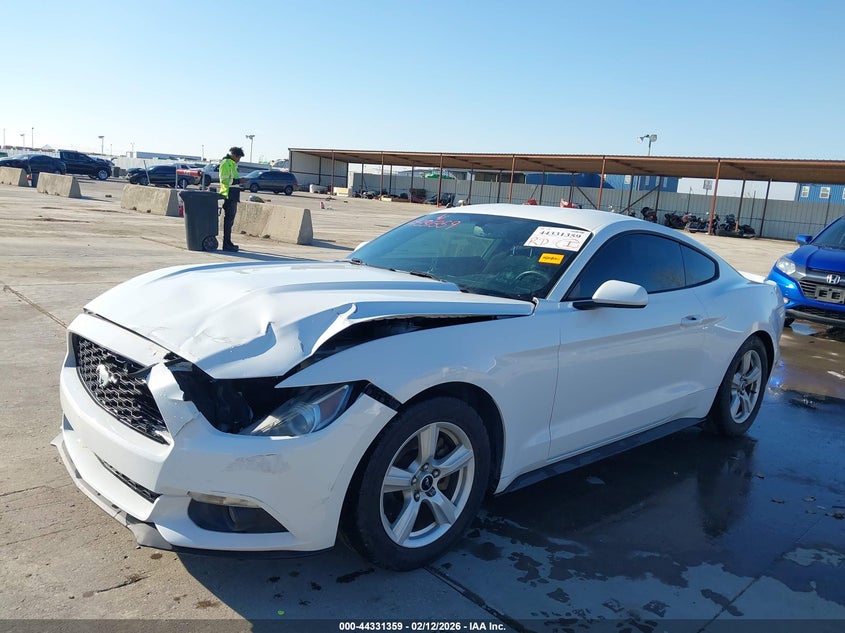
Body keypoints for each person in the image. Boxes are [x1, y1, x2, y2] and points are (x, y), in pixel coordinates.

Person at [219, 146, 244, 251]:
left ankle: (228, 242)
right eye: (239, 157)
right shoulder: (226, 163)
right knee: (228, 221)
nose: (239, 160)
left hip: (233, 194)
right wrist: (239, 181)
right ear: (234, 155)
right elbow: (225, 180)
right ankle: (226, 244)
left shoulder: (232, 164)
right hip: (229, 194)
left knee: (230, 222)